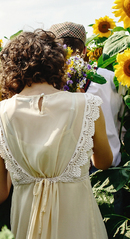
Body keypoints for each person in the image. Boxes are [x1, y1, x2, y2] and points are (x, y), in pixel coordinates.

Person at [0, 29, 114, 239]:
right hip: (80, 232)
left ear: (10, 70)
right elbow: (103, 162)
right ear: (57, 64)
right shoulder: (88, 105)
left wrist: (18, 165)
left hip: (26, 237)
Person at [49, 21, 124, 167]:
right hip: (113, 168)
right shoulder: (112, 78)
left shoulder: (49, 85)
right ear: (85, 50)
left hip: (67, 172)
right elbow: (124, 121)